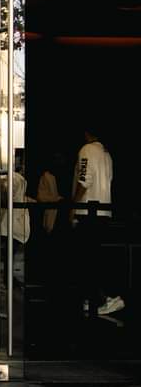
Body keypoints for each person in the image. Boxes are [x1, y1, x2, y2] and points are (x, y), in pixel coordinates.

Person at [72, 126, 122, 315]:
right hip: (104, 211)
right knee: (95, 258)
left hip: (88, 212)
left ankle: (102, 297)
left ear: (87, 133)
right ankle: (94, 298)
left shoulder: (86, 150)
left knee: (85, 259)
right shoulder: (106, 154)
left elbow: (84, 179)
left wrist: (73, 206)